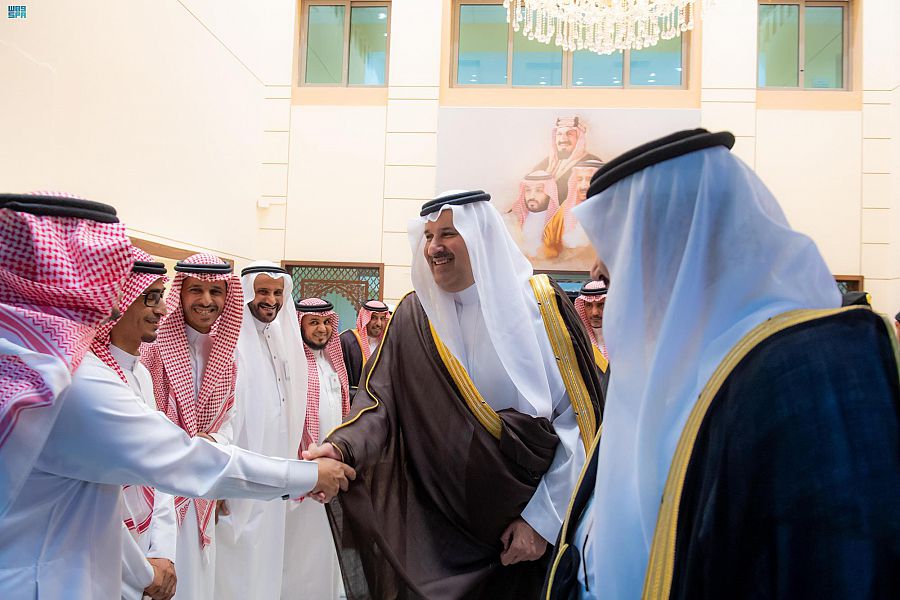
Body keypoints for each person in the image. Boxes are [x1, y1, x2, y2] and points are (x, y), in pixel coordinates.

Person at [545, 129, 900, 599]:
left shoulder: (807, 370)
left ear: (678, 241)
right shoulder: (668, 361)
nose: (596, 272)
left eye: (613, 249)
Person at [0, 193, 355, 600]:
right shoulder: (70, 380)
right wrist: (308, 475)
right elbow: (179, 459)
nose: (112, 289)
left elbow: (83, 501)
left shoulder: (29, 358)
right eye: (104, 268)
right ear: (62, 274)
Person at [305, 190, 606, 599]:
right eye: (428, 236)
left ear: (481, 235)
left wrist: (543, 521)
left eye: (448, 233)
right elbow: (379, 404)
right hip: (440, 528)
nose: (434, 247)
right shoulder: (415, 316)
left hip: (524, 532)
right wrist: (341, 448)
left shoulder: (543, 307)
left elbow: (581, 420)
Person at [139, 253, 247, 600]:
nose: (206, 300)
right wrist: (187, 446)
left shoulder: (226, 353)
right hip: (159, 491)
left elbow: (229, 422)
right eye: (196, 290)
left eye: (216, 291)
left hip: (203, 487)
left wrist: (210, 442)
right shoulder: (152, 350)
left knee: (198, 583)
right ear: (180, 294)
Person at [214, 262, 308, 600]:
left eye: (277, 292)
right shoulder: (228, 342)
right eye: (262, 291)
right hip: (238, 473)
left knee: (268, 555)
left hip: (275, 469)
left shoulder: (281, 338)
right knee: (237, 558)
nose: (271, 300)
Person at [88, 247, 177, 600]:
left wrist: (162, 553)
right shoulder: (92, 379)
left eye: (161, 296)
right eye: (150, 298)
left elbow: (159, 468)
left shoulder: (141, 374)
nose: (162, 309)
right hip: (102, 561)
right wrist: (142, 571)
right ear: (119, 301)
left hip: (146, 553)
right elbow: (94, 499)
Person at [283, 298, 351, 599]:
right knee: (300, 546)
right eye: (313, 323)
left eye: (325, 323)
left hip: (331, 468)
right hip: (304, 469)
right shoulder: (294, 363)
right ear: (300, 325)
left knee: (328, 542)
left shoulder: (333, 363)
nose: (322, 329)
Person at [541, 159, 604, 260]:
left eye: (589, 179)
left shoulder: (613, 211)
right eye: (579, 179)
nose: (583, 186)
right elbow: (549, 241)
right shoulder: (565, 209)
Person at [533, 118, 600, 204]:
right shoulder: (546, 163)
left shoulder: (592, 163)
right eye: (559, 134)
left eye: (569, 134)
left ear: (579, 139)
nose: (563, 139)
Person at [340, 299, 390, 398]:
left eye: (382, 318)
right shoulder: (347, 340)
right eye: (373, 318)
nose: (379, 323)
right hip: (354, 401)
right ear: (364, 318)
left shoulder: (387, 343)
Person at [507, 171, 560, 257]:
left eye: (539, 190)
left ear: (549, 193)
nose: (532, 196)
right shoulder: (514, 219)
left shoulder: (560, 218)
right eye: (528, 190)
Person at [573, 281, 608, 374]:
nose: (594, 313)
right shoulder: (578, 341)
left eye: (601, 305)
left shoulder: (628, 340)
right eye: (589, 305)